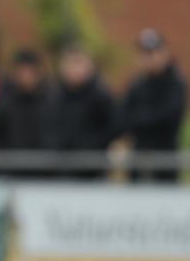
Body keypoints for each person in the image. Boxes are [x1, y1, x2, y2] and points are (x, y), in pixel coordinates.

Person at [121, 28, 187, 182]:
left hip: (166, 160)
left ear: (164, 52)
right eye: (144, 53)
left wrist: (142, 120)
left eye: (152, 52)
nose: (148, 58)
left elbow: (170, 118)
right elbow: (124, 118)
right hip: (139, 158)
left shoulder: (176, 84)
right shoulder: (136, 85)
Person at [48, 45, 117, 155]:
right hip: (63, 163)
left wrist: (94, 146)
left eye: (79, 64)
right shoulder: (55, 95)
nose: (75, 70)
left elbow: (112, 126)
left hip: (93, 163)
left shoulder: (100, 96)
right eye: (71, 64)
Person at [0, 48, 53, 150]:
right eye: (22, 71)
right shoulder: (4, 102)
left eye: (30, 71)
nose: (26, 76)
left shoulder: (50, 101)